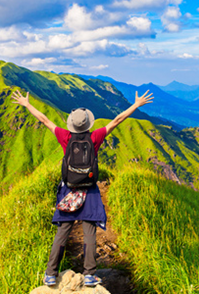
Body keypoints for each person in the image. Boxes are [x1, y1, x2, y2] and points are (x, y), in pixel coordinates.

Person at [11, 88, 154, 287]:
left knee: (63, 232)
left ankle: (51, 274)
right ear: (88, 124)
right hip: (90, 190)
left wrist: (27, 104)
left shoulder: (64, 137)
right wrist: (136, 105)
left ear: (72, 125)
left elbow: (44, 120)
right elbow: (117, 120)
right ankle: (89, 275)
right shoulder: (94, 138)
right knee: (89, 233)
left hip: (69, 189)